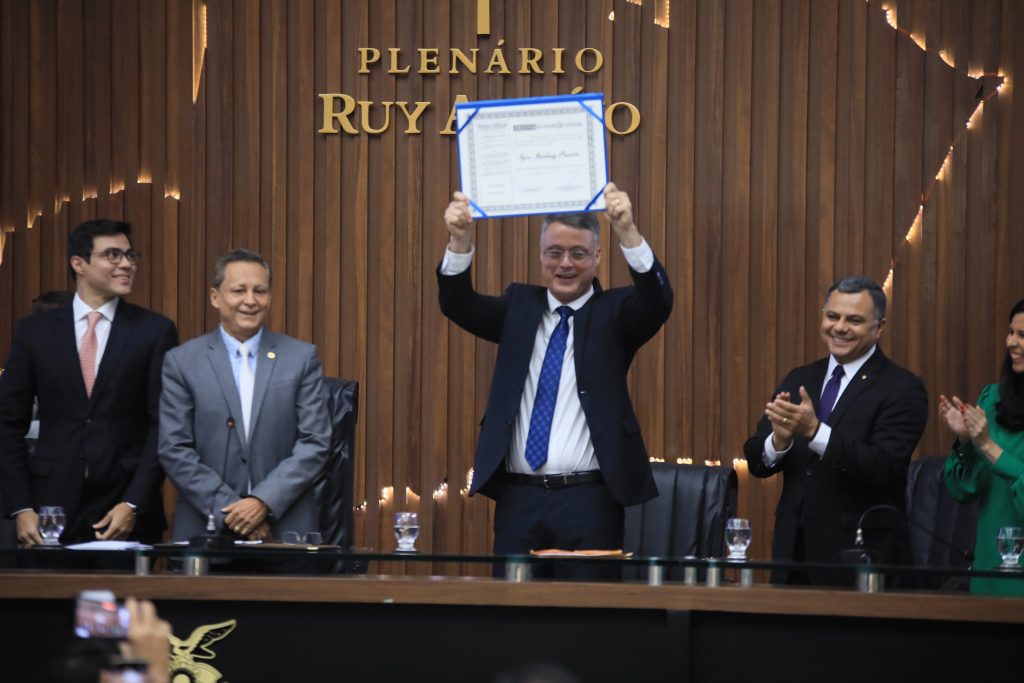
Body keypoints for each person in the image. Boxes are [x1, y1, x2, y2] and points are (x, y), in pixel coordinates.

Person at [438, 182, 673, 577]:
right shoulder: (519, 307)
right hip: (518, 499)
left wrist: (628, 232)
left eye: (578, 253)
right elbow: (458, 304)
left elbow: (657, 302)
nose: (566, 263)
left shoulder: (614, 313)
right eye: (555, 252)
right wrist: (459, 240)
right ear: (541, 256)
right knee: (512, 621)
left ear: (597, 256)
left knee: (587, 623)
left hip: (590, 501)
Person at [0, 220, 178, 546]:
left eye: (129, 255)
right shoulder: (35, 332)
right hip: (47, 509)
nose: (126, 264)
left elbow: (163, 426)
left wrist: (134, 502)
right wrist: (20, 506)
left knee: (122, 600)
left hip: (124, 509)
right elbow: (7, 423)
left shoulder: (155, 331)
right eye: (112, 255)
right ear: (79, 263)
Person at [742, 276, 928, 585]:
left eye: (854, 320)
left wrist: (815, 432)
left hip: (862, 559)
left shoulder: (902, 388)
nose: (839, 328)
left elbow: (882, 466)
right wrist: (779, 441)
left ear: (879, 327)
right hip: (792, 556)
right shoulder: (801, 377)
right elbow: (757, 462)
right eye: (832, 316)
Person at [158, 249, 331, 545]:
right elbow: (174, 448)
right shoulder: (182, 361)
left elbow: (315, 441)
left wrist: (262, 502)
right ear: (215, 297)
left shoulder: (301, 358)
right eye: (239, 290)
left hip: (285, 530)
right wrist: (231, 511)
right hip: (207, 529)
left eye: (260, 291)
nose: (250, 301)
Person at [940, 298, 1024, 596]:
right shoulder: (992, 398)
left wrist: (987, 445)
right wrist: (965, 440)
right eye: (1011, 332)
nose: (1012, 342)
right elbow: (962, 490)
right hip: (990, 570)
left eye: (1022, 335)